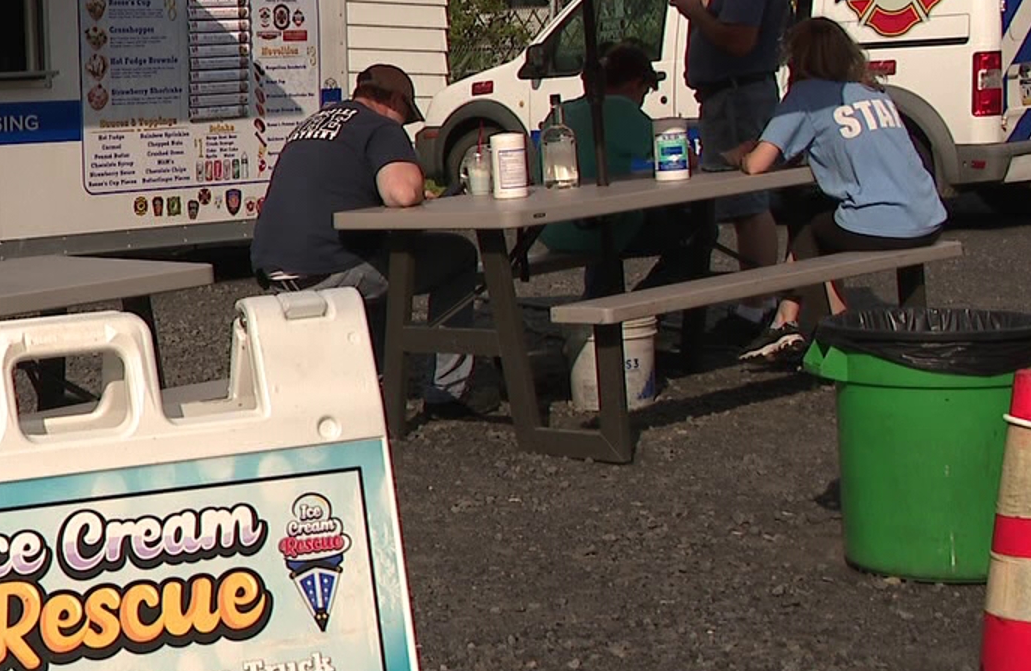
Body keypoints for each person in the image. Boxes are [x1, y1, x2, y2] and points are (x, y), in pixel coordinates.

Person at [250, 63, 498, 418]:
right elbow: (402, 191)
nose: (403, 125)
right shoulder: (379, 127)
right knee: (457, 255)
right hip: (324, 271)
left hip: (272, 269)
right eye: (405, 115)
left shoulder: (313, 123)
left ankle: (379, 374)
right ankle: (448, 389)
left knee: (381, 255)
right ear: (396, 100)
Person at [733, 18, 946, 363]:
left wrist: (741, 156)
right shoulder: (873, 92)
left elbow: (758, 163)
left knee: (808, 222)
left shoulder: (806, 96)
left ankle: (830, 331)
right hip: (929, 218)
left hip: (885, 225)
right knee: (816, 213)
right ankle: (787, 318)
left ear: (797, 58)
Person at [670, 0, 797, 350]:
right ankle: (757, 300)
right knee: (746, 202)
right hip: (749, 89)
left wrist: (695, 12)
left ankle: (753, 305)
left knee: (745, 202)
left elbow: (739, 41)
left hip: (736, 97)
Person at [539, 43, 714, 298]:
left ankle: (601, 305)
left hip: (552, 228)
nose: (642, 102)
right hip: (594, 230)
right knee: (699, 231)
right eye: (644, 93)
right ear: (635, 83)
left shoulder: (562, 113)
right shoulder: (619, 108)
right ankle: (646, 305)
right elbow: (682, 158)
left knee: (607, 216)